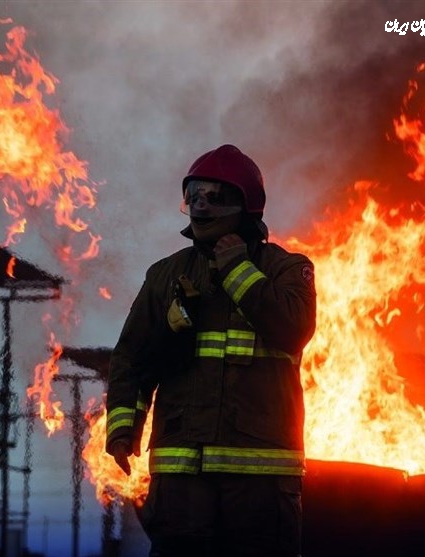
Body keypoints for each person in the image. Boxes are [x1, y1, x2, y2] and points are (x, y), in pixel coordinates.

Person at [105, 144, 317, 556]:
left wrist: (238, 269)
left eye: (214, 196)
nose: (201, 206)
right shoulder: (166, 275)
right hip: (182, 485)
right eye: (194, 195)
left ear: (246, 206)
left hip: (259, 488)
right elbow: (132, 358)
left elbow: (292, 329)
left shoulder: (287, 269)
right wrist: (122, 429)